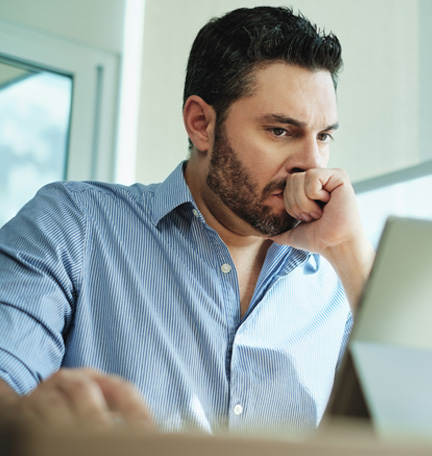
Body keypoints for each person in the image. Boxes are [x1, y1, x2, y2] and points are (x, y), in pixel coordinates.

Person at [0, 6, 374, 434]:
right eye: (280, 131)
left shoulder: (339, 284)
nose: (312, 164)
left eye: (323, 136)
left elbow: (413, 412)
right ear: (201, 124)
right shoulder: (72, 225)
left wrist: (349, 251)